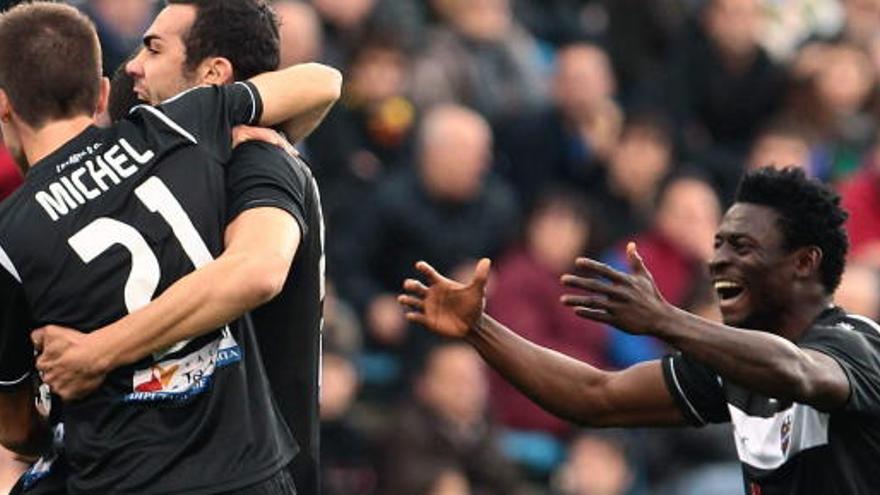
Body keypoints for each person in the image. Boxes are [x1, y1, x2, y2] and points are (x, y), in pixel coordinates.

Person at [0, 2, 338, 493]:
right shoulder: (169, 135)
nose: (133, 64)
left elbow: (257, 270)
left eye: (153, 47)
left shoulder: (253, 153)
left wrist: (97, 353)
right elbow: (323, 80)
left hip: (196, 468)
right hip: (239, 465)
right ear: (98, 96)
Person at [400, 166, 880, 494]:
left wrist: (665, 319)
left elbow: (797, 372)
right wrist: (480, 329)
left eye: (743, 247)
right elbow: (594, 396)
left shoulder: (855, 342)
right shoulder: (733, 363)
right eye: (719, 245)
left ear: (803, 263)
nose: (718, 261)